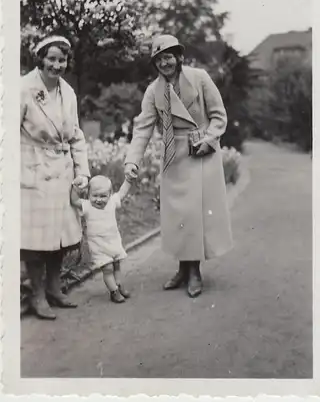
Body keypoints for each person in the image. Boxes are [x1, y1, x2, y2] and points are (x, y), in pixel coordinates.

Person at [124, 34, 233, 298]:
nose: (165, 63)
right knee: (178, 216)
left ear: (180, 57)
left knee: (195, 213)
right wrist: (132, 160)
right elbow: (143, 128)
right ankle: (183, 269)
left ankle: (194, 271)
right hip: (173, 154)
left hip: (201, 151)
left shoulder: (199, 78)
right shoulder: (153, 91)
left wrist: (210, 139)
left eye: (169, 56)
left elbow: (219, 116)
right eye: (159, 59)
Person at [21, 35, 90, 320]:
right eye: (51, 59)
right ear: (41, 59)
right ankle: (37, 295)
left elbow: (75, 136)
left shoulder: (68, 92)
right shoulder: (24, 88)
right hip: (32, 169)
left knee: (60, 236)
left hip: (62, 171)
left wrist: (82, 171)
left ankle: (53, 287)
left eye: (62, 60)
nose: (57, 65)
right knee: (37, 240)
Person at [70, 175, 132, 304]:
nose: (98, 200)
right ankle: (113, 291)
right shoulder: (87, 206)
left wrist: (128, 180)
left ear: (109, 194)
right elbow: (74, 200)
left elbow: (122, 193)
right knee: (107, 268)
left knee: (116, 265)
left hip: (113, 242)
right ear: (88, 194)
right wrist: (75, 187)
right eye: (95, 196)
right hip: (98, 246)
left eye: (103, 196)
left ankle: (119, 285)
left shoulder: (112, 202)